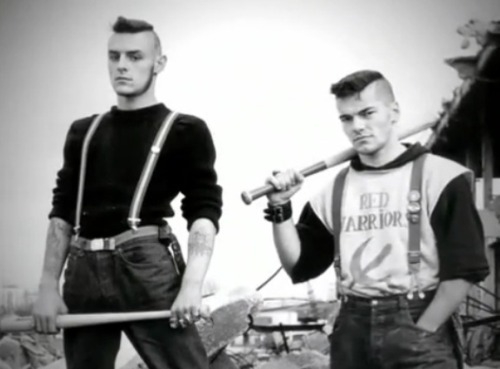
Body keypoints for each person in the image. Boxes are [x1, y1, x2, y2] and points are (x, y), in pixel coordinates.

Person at [263, 70, 489, 369]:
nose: (357, 126)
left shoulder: (443, 178)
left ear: (393, 112)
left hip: (419, 320)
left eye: (367, 113)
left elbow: (466, 268)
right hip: (352, 326)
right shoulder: (334, 191)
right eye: (346, 118)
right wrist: (281, 208)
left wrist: (425, 329)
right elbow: (300, 266)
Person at [32, 16, 222, 369]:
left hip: (146, 268)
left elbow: (204, 210)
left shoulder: (185, 130)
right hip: (84, 270)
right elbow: (62, 211)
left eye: (135, 57)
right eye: (114, 56)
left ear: (158, 63)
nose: (122, 66)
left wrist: (192, 285)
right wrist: (47, 286)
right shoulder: (83, 132)